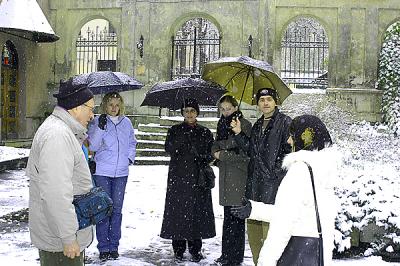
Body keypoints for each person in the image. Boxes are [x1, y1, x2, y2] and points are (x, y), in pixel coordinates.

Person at [231, 115, 338, 266]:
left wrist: (266, 261)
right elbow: (301, 214)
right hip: (316, 253)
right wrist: (253, 210)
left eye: (292, 136)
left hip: (296, 251)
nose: (288, 141)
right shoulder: (322, 170)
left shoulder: (299, 170)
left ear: (304, 138)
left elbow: (284, 222)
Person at [26, 78, 95, 266]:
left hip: (59, 234)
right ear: (76, 108)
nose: (92, 115)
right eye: (90, 108)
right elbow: (55, 193)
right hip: (59, 240)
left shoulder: (63, 132)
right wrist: (68, 237)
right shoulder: (57, 136)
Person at [230, 88, 292, 264]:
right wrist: (238, 132)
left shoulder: (285, 123)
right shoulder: (257, 125)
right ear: (258, 104)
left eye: (269, 99)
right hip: (254, 189)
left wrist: (275, 174)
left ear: (276, 102)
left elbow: (289, 153)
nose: (265, 103)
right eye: (262, 99)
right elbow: (251, 151)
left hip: (273, 189)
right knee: (255, 239)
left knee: (271, 239)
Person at [160, 98, 216, 263]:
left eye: (192, 111)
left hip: (198, 179)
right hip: (179, 178)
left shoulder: (205, 132)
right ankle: (178, 249)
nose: (189, 114)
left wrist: (202, 157)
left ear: (197, 112)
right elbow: (169, 148)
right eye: (186, 111)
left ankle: (195, 248)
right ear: (182, 113)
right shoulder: (175, 130)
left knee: (196, 214)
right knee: (178, 214)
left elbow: (210, 153)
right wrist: (182, 140)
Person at [87, 91, 137, 261]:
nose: (114, 108)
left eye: (117, 105)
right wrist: (100, 128)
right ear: (105, 105)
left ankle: (114, 246)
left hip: (121, 173)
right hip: (102, 172)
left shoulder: (126, 122)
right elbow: (92, 146)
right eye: (111, 104)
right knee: (103, 210)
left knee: (116, 210)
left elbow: (132, 142)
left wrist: (129, 158)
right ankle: (103, 247)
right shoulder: (97, 121)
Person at [211, 95, 252, 265]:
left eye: (229, 108)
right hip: (225, 175)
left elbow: (246, 154)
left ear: (235, 108)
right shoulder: (221, 124)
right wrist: (215, 153)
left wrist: (223, 155)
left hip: (238, 175)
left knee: (237, 219)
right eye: (223, 109)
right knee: (228, 218)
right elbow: (215, 145)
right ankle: (226, 254)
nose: (226, 111)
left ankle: (235, 257)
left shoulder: (246, 125)